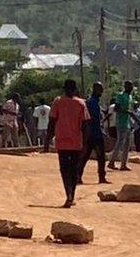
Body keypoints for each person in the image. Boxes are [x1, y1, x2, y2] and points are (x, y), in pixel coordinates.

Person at [44, 79, 90, 208]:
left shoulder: (58, 102)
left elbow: (52, 122)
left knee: (64, 169)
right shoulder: (81, 103)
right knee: (74, 169)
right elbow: (86, 125)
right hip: (76, 142)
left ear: (64, 89)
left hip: (62, 141)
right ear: (75, 89)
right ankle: (72, 195)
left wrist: (47, 140)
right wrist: (86, 143)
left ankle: (68, 194)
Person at [78, 82, 110, 185]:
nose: (101, 91)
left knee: (88, 156)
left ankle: (80, 176)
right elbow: (89, 119)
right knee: (98, 156)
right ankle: (100, 177)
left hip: (94, 132)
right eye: (100, 89)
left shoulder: (94, 102)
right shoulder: (91, 102)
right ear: (95, 89)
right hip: (93, 133)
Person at [108, 80, 134, 170]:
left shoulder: (130, 97)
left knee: (127, 144)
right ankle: (112, 162)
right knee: (119, 143)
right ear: (125, 87)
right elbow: (117, 108)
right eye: (129, 86)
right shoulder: (120, 96)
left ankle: (123, 164)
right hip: (121, 122)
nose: (131, 88)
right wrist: (127, 112)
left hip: (128, 123)